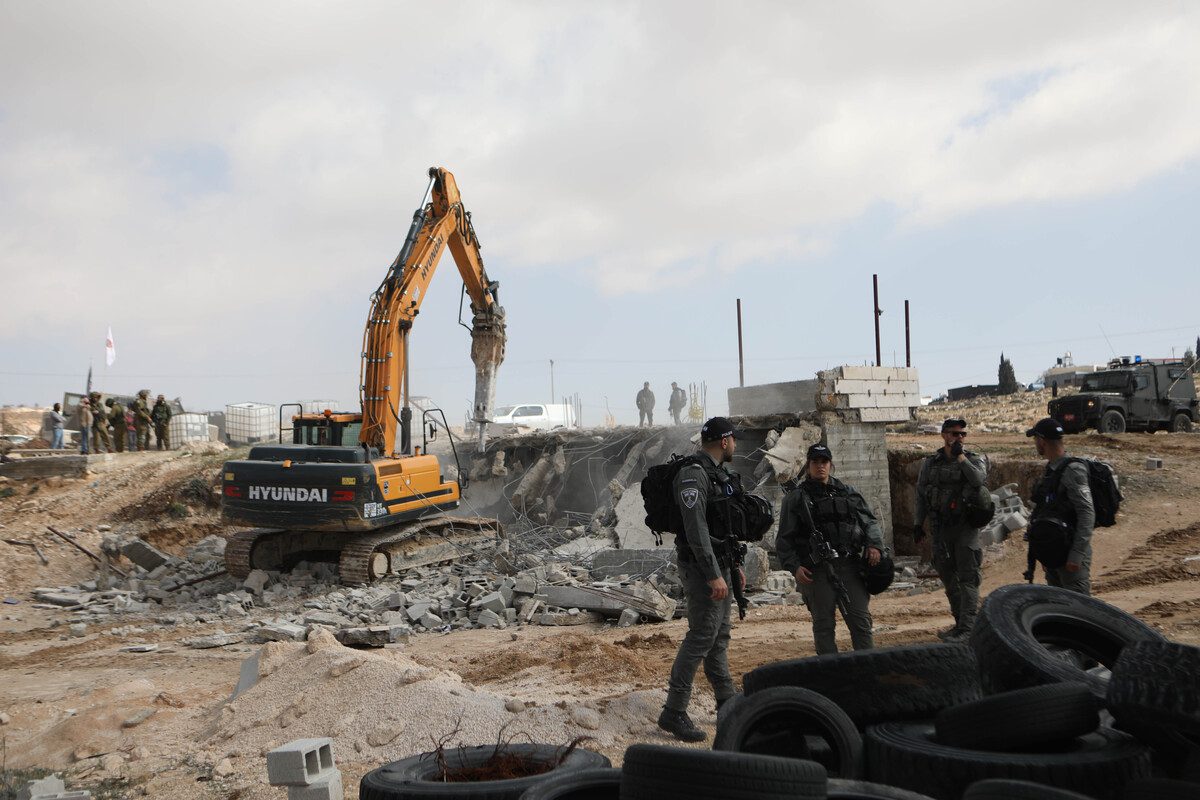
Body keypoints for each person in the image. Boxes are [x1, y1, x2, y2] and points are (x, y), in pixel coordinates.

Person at [659, 416, 745, 742]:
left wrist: (732, 568)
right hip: (701, 570)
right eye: (734, 439)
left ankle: (727, 705)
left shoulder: (717, 474)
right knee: (700, 637)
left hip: (720, 565)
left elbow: (723, 526)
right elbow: (696, 529)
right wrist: (712, 574)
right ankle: (674, 711)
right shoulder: (693, 474)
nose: (735, 444)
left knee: (718, 637)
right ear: (725, 441)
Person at [776, 443, 884, 655]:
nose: (820, 466)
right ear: (808, 466)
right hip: (816, 571)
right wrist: (795, 567)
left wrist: (874, 545)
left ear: (830, 464)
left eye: (824, 462)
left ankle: (869, 673)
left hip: (849, 566)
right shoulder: (796, 498)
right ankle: (829, 677)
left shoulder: (847, 492)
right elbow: (784, 540)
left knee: (861, 623)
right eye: (815, 462)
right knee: (824, 626)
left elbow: (869, 522)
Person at [914, 418, 988, 642]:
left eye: (963, 434)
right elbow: (921, 495)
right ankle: (959, 623)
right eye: (955, 434)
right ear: (944, 435)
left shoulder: (974, 460)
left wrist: (961, 458)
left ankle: (968, 628)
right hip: (940, 529)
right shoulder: (931, 464)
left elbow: (978, 480)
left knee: (968, 579)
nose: (960, 438)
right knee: (948, 578)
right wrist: (918, 523)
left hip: (965, 529)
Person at [1027, 417, 1094, 595]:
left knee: (1079, 610)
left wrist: (1077, 553)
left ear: (1042, 441)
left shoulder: (1072, 470)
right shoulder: (1051, 470)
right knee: (1059, 608)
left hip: (1070, 553)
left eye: (1036, 440)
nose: (1035, 444)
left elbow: (1087, 513)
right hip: (1055, 553)